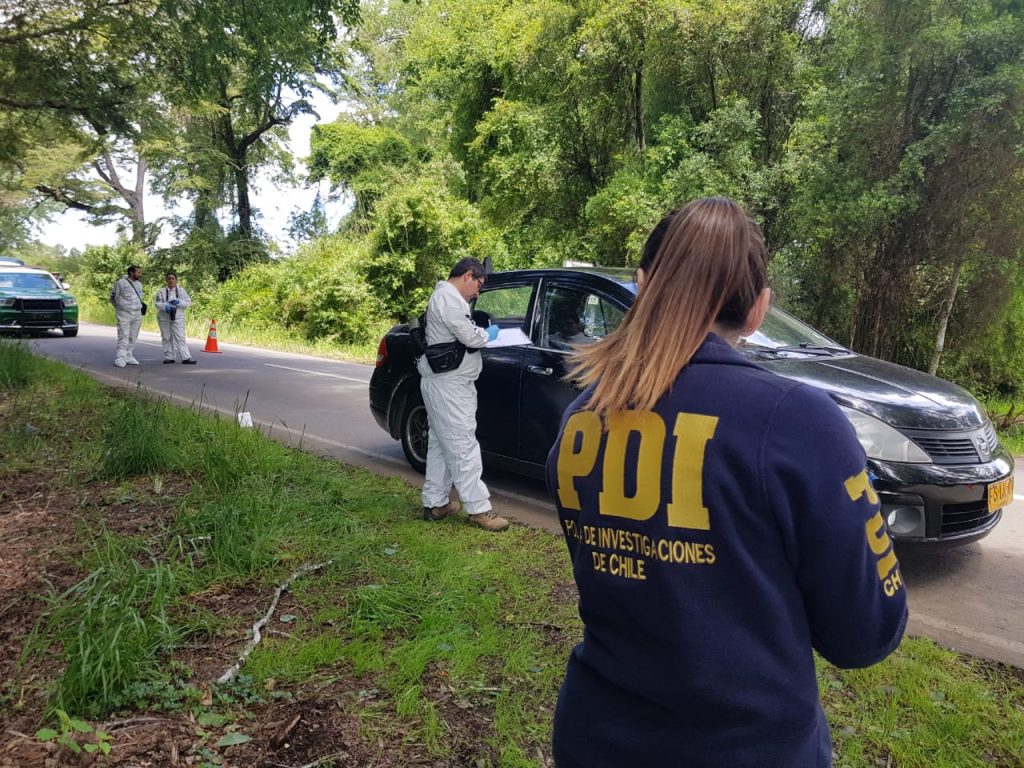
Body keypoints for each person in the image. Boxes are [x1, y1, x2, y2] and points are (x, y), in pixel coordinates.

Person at [545, 197, 907, 767]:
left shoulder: (582, 416)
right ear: (759, 309)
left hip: (594, 738)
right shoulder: (797, 420)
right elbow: (866, 633)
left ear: (642, 286)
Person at [419, 257, 509, 532]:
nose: (477, 293)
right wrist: (489, 334)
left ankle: (436, 503)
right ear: (469, 275)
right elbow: (470, 337)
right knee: (463, 446)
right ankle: (479, 509)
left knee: (440, 445)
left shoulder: (447, 298)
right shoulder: (447, 298)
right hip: (449, 386)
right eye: (479, 286)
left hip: (449, 383)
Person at [155, 271, 196, 364]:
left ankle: (186, 358)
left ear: (176, 280)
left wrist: (179, 302)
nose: (171, 280)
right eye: (169, 278)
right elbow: (157, 304)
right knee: (166, 337)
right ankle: (169, 357)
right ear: (166, 280)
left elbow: (188, 302)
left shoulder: (181, 291)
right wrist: (166, 307)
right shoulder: (161, 291)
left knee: (180, 337)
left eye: (173, 278)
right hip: (164, 317)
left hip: (178, 316)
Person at [109, 265, 145, 367]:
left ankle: (128, 355)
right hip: (124, 313)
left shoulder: (139, 284)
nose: (140, 274)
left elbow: (140, 297)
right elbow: (113, 298)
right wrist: (120, 308)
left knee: (133, 336)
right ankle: (120, 358)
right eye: (138, 272)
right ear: (131, 273)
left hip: (137, 313)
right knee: (123, 335)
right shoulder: (121, 283)